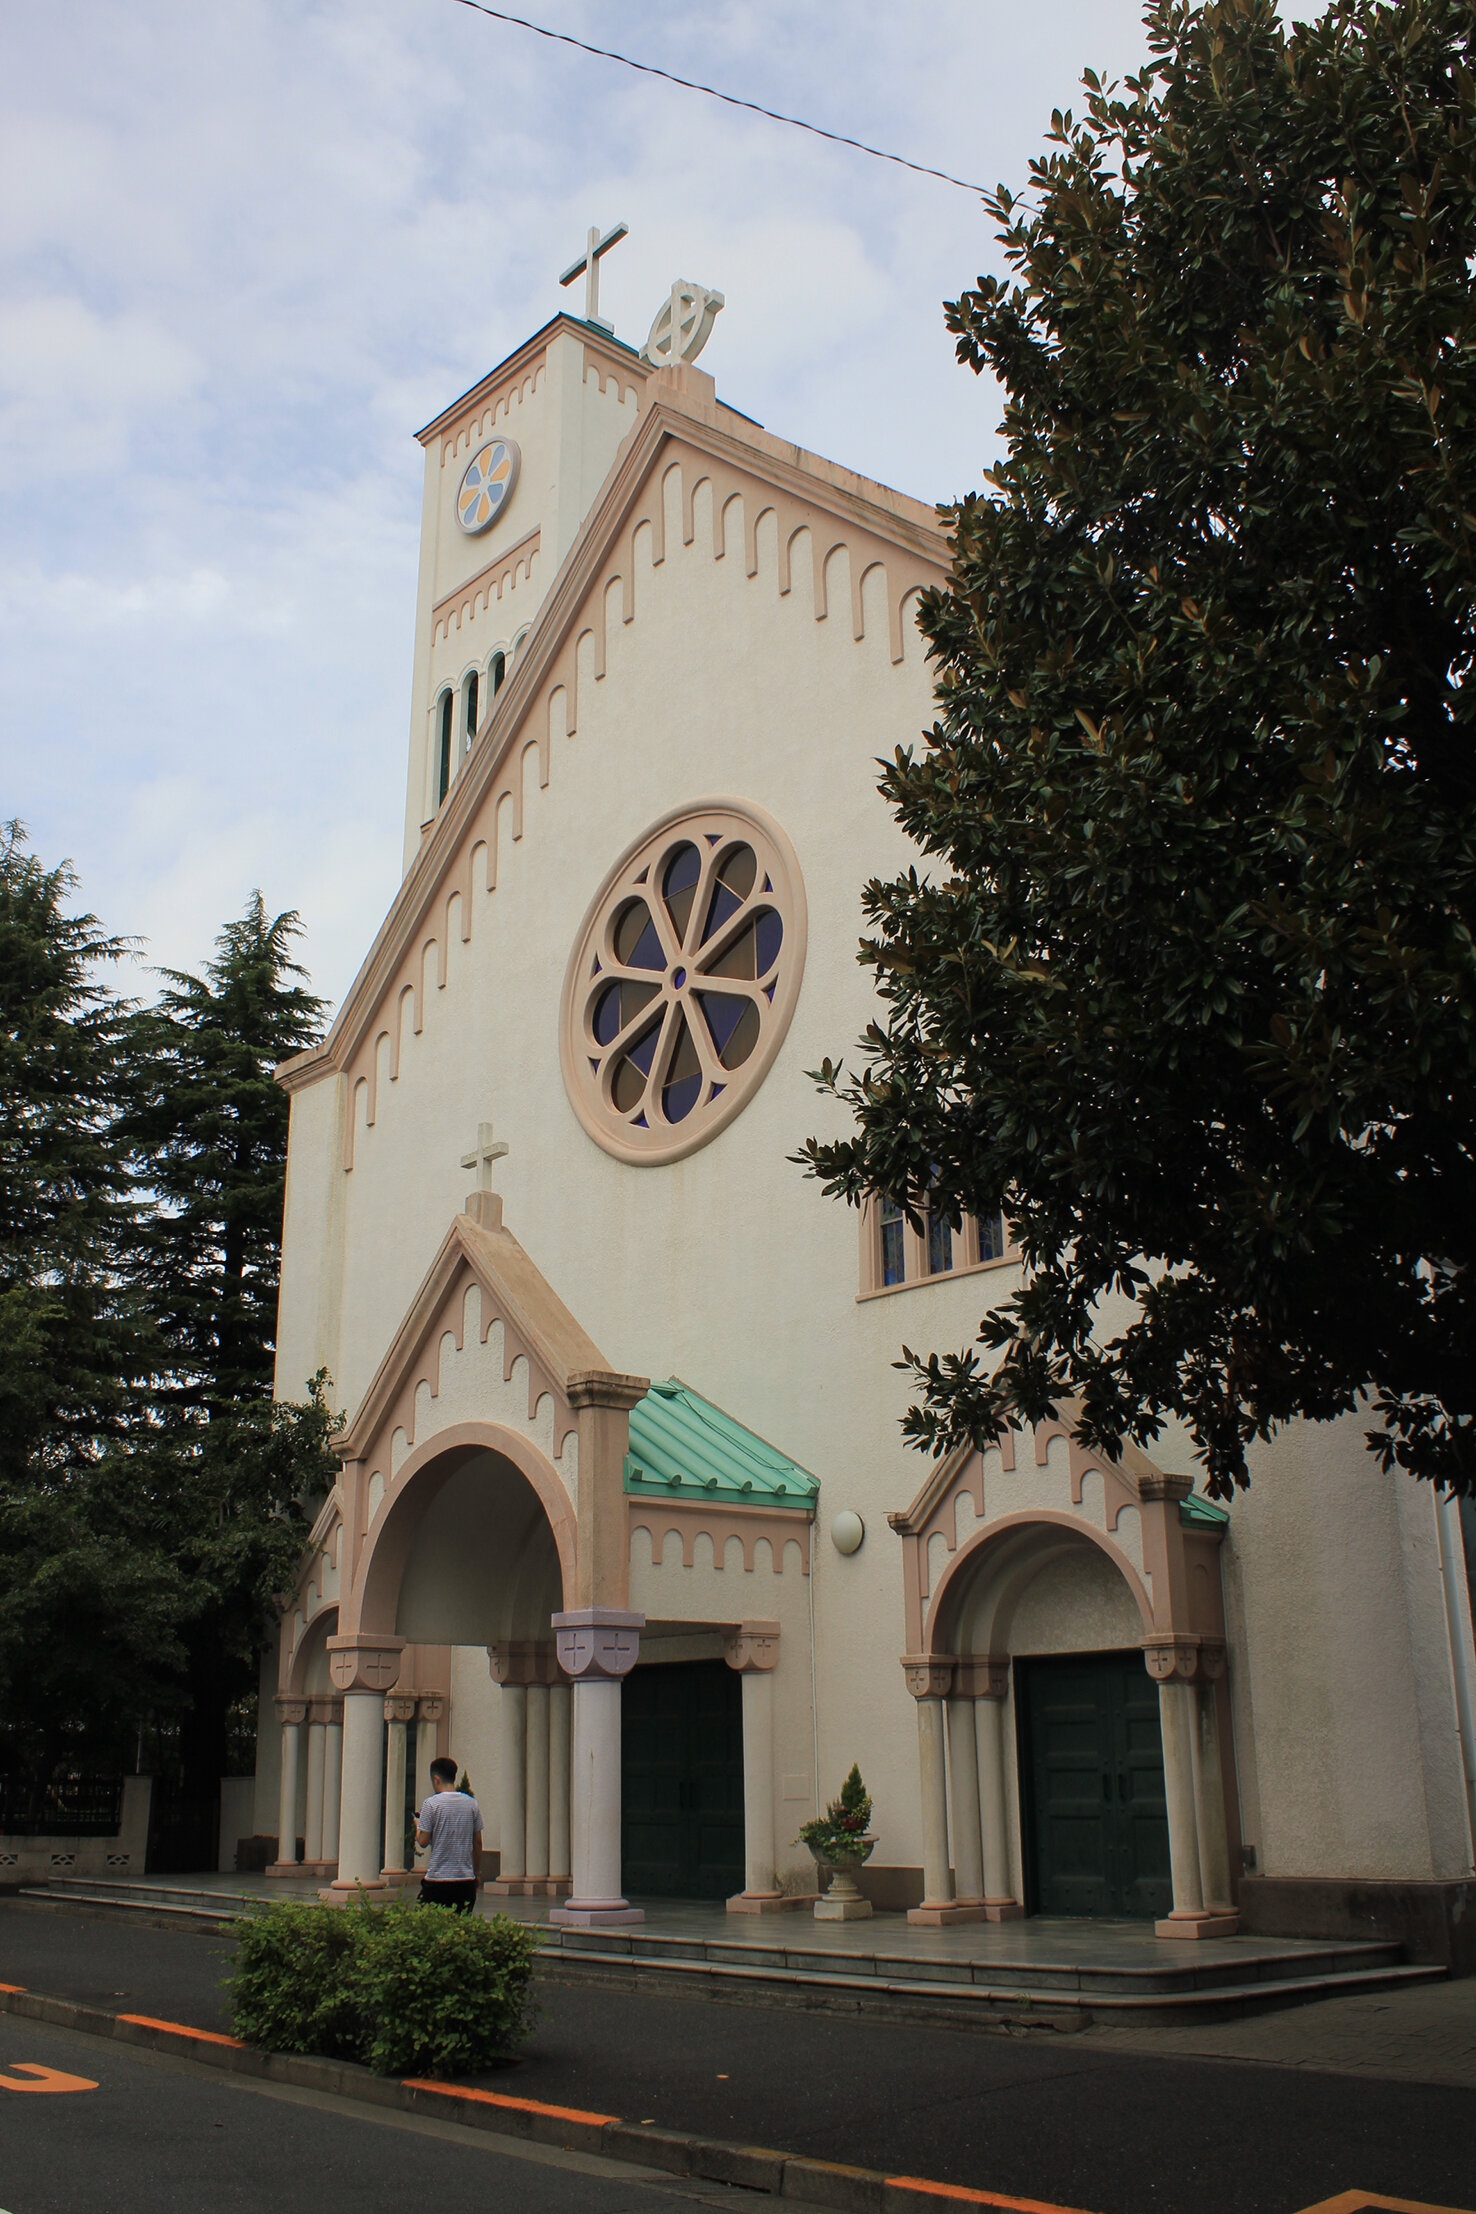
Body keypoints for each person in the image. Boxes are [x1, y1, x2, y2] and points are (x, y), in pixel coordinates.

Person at [413, 1756, 483, 1912]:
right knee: (461, 1925)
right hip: (465, 1879)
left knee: (426, 1921)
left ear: (436, 1779)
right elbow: (477, 1842)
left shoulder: (431, 1804)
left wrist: (418, 1827)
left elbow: (423, 1841)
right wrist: (476, 1872)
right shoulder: (472, 1803)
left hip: (438, 1879)